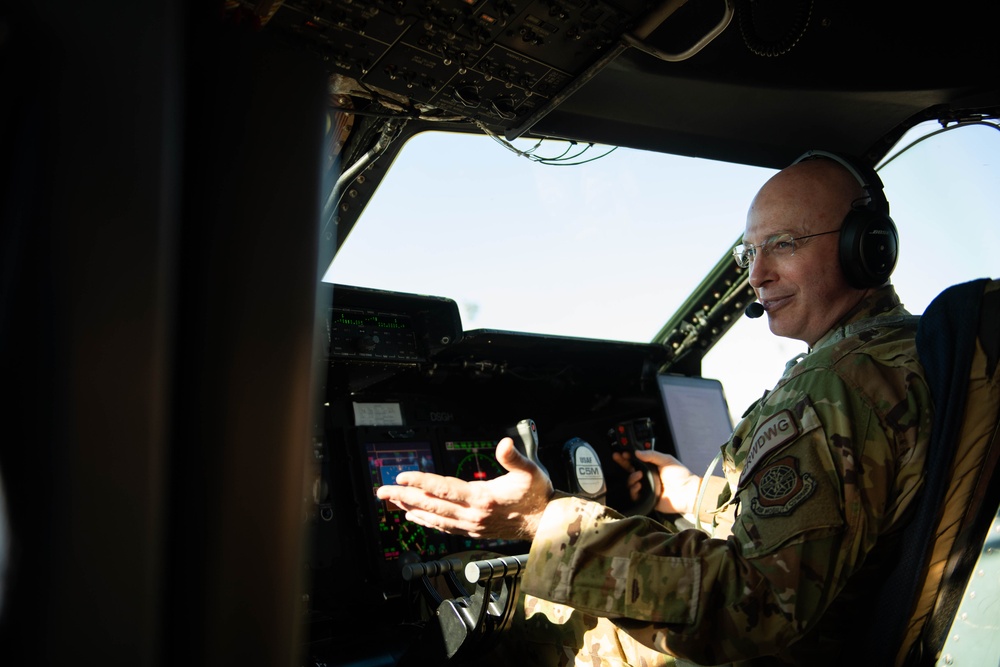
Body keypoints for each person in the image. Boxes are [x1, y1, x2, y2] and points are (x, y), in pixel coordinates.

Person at [376, 153, 933, 666]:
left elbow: (749, 606)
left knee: (510, 629)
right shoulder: (900, 357)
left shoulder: (836, 389)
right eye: (749, 252)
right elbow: (821, 519)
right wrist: (694, 493)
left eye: (784, 244)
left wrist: (538, 520)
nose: (757, 274)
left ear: (867, 246)